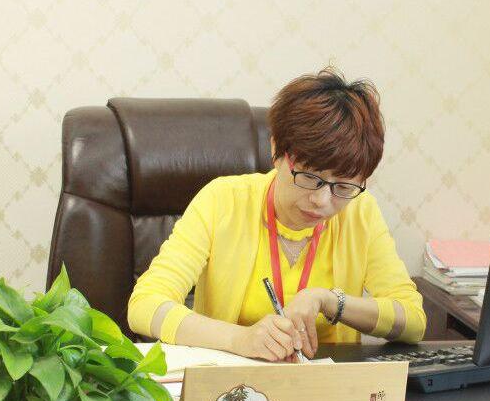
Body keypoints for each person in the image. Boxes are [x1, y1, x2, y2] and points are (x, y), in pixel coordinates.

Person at [127, 67, 426, 362]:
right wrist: (239, 339)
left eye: (343, 186)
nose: (322, 201)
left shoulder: (360, 212)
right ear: (276, 151)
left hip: (323, 386)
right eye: (309, 177)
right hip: (230, 384)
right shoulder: (223, 201)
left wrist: (330, 301)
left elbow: (413, 320)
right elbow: (145, 305)